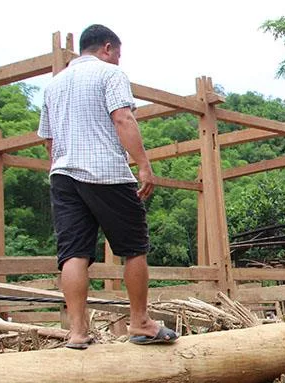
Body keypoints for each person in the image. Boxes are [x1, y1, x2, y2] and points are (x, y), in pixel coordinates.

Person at [38, 25, 177, 349]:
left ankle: (77, 332)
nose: (118, 60)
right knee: (134, 247)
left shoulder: (53, 85)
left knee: (73, 253)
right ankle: (140, 322)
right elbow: (122, 118)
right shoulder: (110, 74)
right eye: (117, 54)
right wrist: (143, 164)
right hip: (105, 172)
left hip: (63, 175)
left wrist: (60, 164)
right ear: (107, 48)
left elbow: (48, 139)